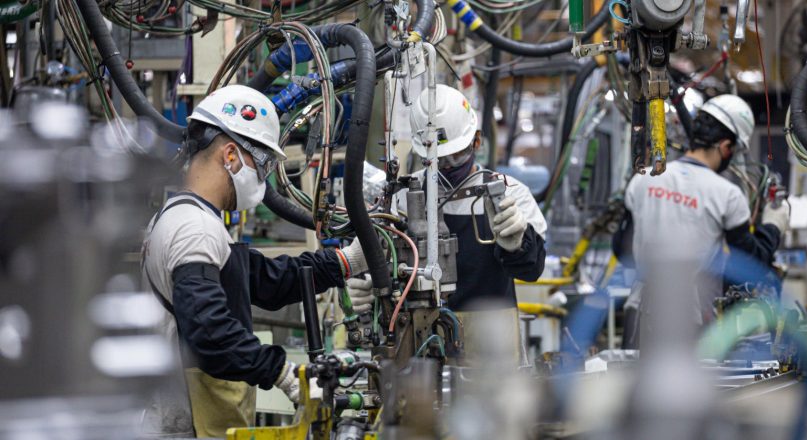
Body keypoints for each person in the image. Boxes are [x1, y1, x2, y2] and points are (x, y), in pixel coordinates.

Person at [140, 85, 367, 437]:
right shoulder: (194, 228)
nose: (263, 179)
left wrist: (345, 261)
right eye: (262, 164)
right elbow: (210, 331)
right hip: (187, 425)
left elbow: (265, 280)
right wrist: (282, 373)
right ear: (230, 155)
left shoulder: (190, 218)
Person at [347, 84, 547, 363]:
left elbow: (531, 270)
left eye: (457, 154)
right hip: (417, 346)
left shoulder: (510, 193)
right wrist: (369, 288)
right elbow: (380, 265)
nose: (449, 165)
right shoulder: (402, 199)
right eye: (438, 159)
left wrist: (518, 244)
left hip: (491, 352)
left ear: (477, 142)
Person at [612, 94, 790, 348]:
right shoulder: (726, 194)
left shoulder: (643, 180)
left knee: (637, 383)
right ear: (726, 146)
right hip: (688, 321)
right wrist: (774, 225)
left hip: (639, 313)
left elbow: (621, 249)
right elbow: (751, 264)